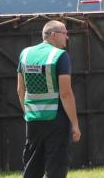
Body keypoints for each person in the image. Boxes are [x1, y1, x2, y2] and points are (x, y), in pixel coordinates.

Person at [17, 20, 81, 178]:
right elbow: (65, 94)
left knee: (32, 167)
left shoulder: (25, 54)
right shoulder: (60, 55)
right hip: (56, 119)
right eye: (65, 33)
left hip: (33, 120)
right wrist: (75, 124)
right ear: (53, 35)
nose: (67, 37)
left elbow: (20, 89)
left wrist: (28, 113)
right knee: (56, 167)